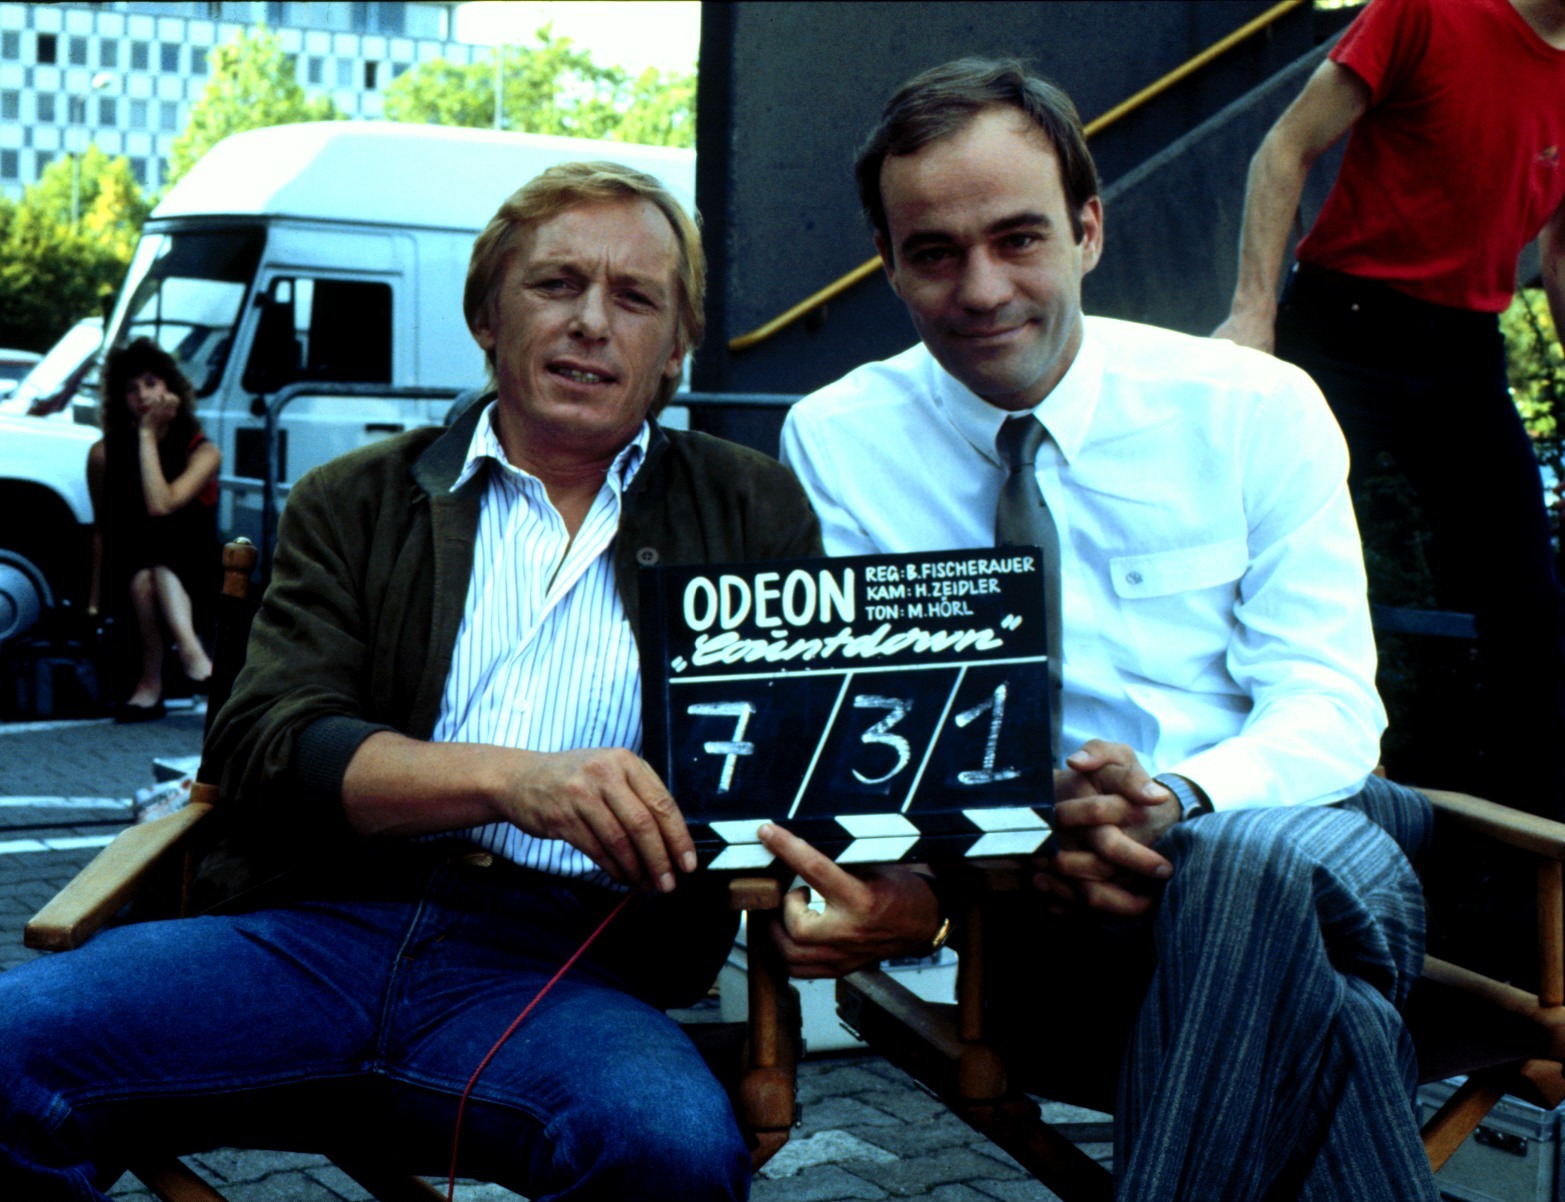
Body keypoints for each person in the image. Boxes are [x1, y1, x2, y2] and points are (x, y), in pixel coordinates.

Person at [0, 161, 821, 1201]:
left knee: (668, 1147)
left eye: (634, 297)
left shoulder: (748, 510)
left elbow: (796, 774)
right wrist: (512, 782)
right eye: (555, 283)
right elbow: (264, 739)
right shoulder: (358, 496)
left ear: (676, 346)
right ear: (485, 314)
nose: (590, 323)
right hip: (310, 929)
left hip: (568, 970)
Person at [767, 58, 1441, 1201]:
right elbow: (879, 729)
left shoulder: (1251, 407)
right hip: (1047, 902)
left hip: (1318, 833)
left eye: (1017, 238)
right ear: (886, 262)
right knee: (1338, 1023)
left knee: (1239, 865)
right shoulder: (838, 440)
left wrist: (1174, 797)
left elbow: (1330, 703)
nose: (981, 288)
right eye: (933, 252)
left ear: (1086, 229)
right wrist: (1031, 827)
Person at [1214, 0, 1565, 811]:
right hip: (1343, 329)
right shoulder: (1424, 10)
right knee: (1266, 566)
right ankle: (1232, 804)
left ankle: (1535, 853)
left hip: (1465, 350)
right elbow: (1284, 147)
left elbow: (1558, 253)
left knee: (1527, 605)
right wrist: (1252, 313)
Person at [87, 338, 220, 722]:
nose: (143, 395)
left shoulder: (203, 451)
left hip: (195, 570)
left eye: (151, 383)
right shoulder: (103, 454)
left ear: (170, 389)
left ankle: (152, 682)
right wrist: (93, 599)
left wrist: (147, 435)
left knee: (159, 561)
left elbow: (161, 505)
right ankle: (193, 659)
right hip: (130, 566)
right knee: (146, 572)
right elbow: (102, 527)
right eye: (131, 389)